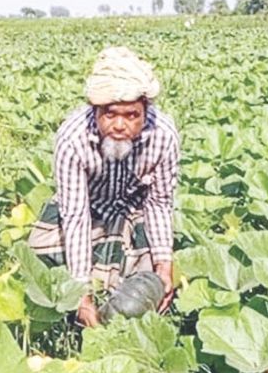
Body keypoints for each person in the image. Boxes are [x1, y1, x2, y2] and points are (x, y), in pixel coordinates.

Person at [28, 46, 180, 327]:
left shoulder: (164, 136)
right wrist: (80, 292)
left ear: (145, 110)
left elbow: (159, 203)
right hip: (87, 210)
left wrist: (163, 264)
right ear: (95, 110)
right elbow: (74, 215)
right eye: (110, 115)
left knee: (148, 283)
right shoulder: (73, 138)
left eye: (131, 116)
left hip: (134, 211)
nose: (120, 125)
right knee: (40, 259)